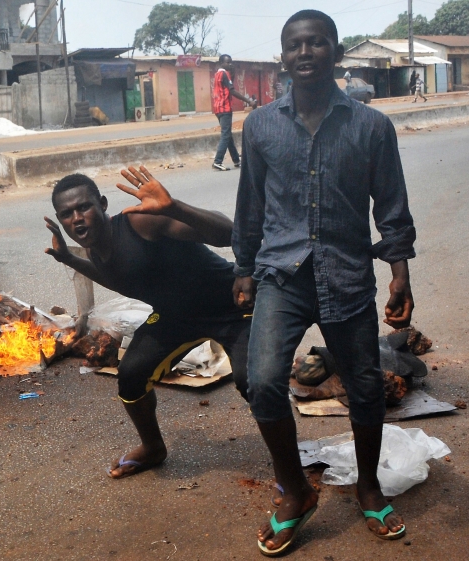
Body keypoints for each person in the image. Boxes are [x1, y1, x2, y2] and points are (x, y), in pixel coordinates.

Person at [232, 10, 414, 556]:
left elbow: (391, 204)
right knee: (262, 380)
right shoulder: (259, 126)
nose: (305, 52)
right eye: (295, 45)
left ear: (336, 51)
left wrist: (400, 273)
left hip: (348, 275)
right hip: (281, 277)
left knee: (364, 387)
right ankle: (296, 492)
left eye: (316, 43)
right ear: (282, 56)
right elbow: (251, 206)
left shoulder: (371, 126)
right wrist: (243, 267)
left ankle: (368, 485)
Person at [45, 167, 252, 479]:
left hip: (230, 306)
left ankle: (288, 472)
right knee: (130, 374)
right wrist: (70, 259)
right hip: (175, 316)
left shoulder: (139, 223)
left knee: (254, 381)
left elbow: (228, 233)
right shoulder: (94, 246)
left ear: (102, 204)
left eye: (83, 207)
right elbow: (122, 280)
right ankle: (153, 448)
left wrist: (175, 207)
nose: (76, 218)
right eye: (66, 213)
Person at [212, 54, 257, 172]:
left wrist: (233, 72)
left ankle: (236, 160)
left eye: (231, 62)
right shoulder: (224, 74)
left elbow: (229, 84)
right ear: (221, 63)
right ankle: (217, 161)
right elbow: (232, 90)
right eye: (228, 62)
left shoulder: (217, 74)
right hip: (225, 108)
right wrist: (249, 101)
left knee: (228, 135)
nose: (230, 64)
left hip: (217, 108)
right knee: (226, 135)